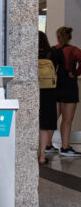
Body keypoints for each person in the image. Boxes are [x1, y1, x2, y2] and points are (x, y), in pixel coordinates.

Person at [54, 26, 81, 157]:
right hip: (69, 84)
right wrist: (75, 73)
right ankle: (65, 147)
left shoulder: (53, 50)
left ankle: (47, 145)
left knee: (53, 117)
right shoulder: (74, 50)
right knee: (67, 119)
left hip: (55, 84)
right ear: (69, 37)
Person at [38, 31, 63, 163]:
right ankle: (42, 156)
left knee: (33, 123)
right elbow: (60, 70)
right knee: (44, 125)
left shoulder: (31, 54)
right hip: (49, 92)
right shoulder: (53, 53)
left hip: (35, 90)